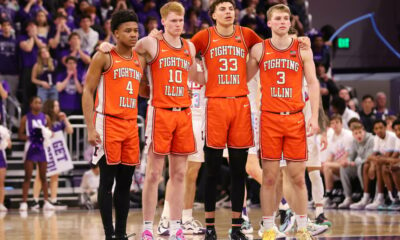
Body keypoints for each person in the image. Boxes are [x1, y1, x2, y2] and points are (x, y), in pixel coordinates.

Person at [246, 4, 320, 239]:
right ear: (268, 23)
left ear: (291, 22)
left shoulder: (302, 49)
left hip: (295, 118)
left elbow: (314, 83)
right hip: (269, 118)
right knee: (269, 177)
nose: (282, 22)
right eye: (277, 18)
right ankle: (268, 227)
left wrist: (315, 117)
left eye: (286, 18)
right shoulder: (259, 50)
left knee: (298, 177)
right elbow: (243, 78)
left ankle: (302, 227)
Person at [133, 3, 200, 240]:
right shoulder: (151, 43)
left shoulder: (189, 47)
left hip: (183, 112)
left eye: (180, 20)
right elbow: (129, 51)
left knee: (180, 174)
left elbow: (195, 78)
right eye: (173, 21)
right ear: (162, 21)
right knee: (154, 174)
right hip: (159, 111)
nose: (178, 24)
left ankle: (175, 225)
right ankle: (148, 226)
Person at [82, 9, 146, 240]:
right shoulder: (104, 56)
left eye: (135, 30)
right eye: (127, 31)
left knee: (126, 183)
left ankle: (120, 233)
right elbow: (88, 92)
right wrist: (90, 127)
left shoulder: (140, 59)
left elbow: (145, 89)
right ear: (115, 33)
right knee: (107, 182)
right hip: (107, 123)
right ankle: (109, 234)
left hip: (130, 125)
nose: (132, 34)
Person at [32, 100, 73, 210]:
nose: (58, 107)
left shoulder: (60, 119)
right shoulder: (44, 117)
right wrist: (49, 133)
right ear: (50, 107)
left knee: (55, 175)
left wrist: (65, 119)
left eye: (58, 105)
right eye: (56, 105)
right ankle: (34, 201)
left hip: (55, 151)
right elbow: (37, 131)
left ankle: (53, 200)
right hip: (44, 149)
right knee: (40, 175)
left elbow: (70, 131)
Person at [18, 96, 55, 212]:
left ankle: (46, 201)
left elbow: (50, 132)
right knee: (27, 176)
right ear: (31, 104)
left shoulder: (46, 118)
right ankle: (24, 202)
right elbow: (20, 135)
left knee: (43, 176)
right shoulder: (25, 118)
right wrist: (30, 137)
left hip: (42, 147)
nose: (38, 105)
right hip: (30, 146)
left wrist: (46, 135)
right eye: (36, 102)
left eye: (40, 103)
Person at [322, 114, 354, 209]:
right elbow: (331, 155)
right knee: (324, 167)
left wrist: (328, 164)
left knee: (327, 166)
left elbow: (347, 154)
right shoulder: (331, 137)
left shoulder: (348, 135)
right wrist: (325, 162)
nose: (335, 125)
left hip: (348, 163)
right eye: (332, 123)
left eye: (337, 122)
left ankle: (328, 195)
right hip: (337, 165)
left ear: (341, 123)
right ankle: (329, 197)